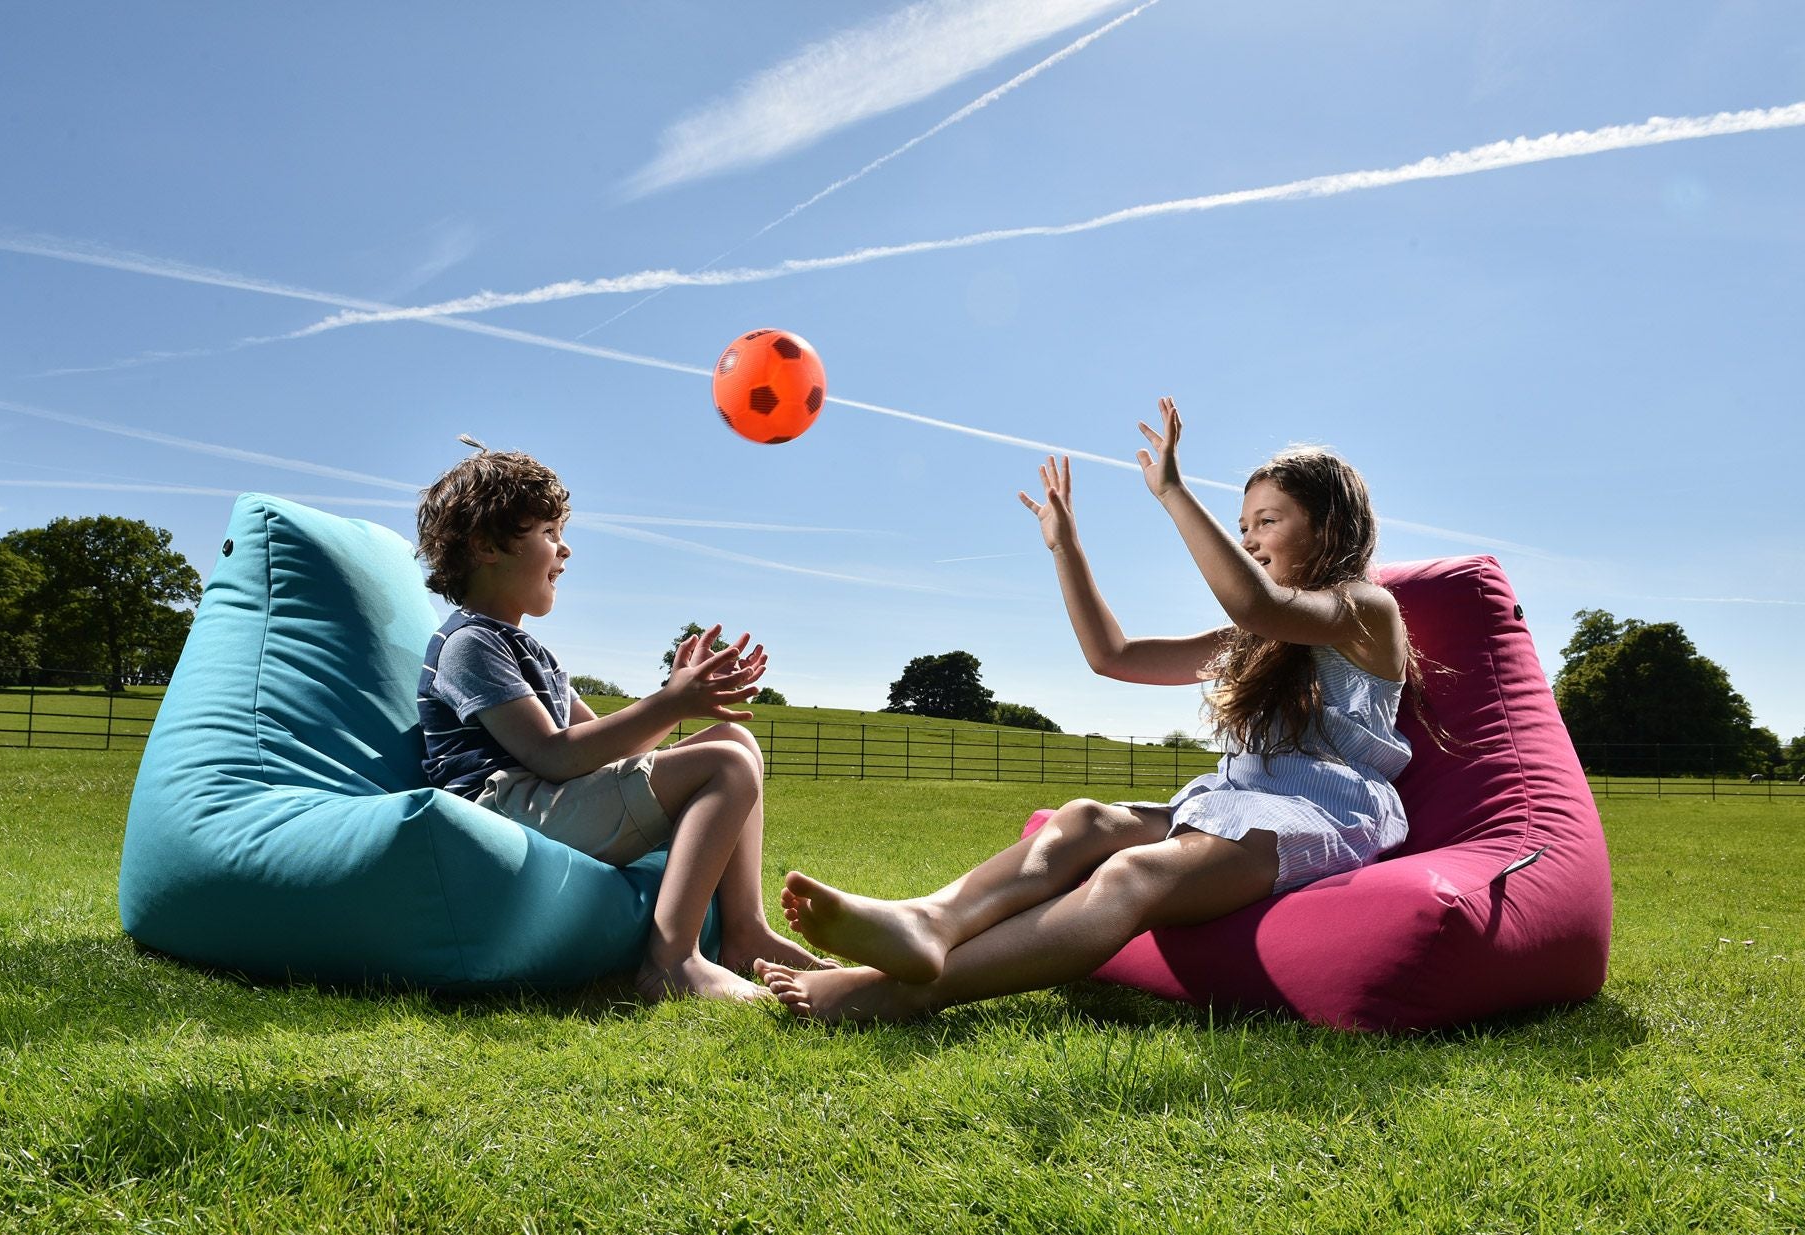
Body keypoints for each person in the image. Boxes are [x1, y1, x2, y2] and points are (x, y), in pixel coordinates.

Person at [756, 397, 1413, 1022]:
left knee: (1131, 873)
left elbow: (1254, 602)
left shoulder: (1366, 611)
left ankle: (902, 993)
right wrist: (1065, 546)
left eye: (1266, 521)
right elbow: (1115, 655)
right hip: (1236, 804)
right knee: (1084, 819)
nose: (1247, 541)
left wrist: (1172, 493)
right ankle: (930, 920)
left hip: (1322, 816)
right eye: (1242, 527)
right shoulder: (1257, 640)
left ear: (1329, 527)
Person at [414, 438, 826, 1003]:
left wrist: (673, 698)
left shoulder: (529, 650)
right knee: (725, 763)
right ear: (487, 546)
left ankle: (745, 932)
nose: (566, 550)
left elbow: (599, 749)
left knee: (736, 738)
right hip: (499, 814)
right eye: (549, 533)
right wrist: (670, 705)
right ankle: (671, 962)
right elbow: (553, 755)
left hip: (542, 800)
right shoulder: (469, 644)